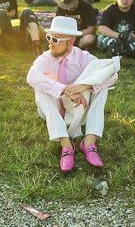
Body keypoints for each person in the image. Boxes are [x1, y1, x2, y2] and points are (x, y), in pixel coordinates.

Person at [27, 16, 118, 172]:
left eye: (55, 39)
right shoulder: (46, 57)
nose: (49, 43)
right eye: (49, 37)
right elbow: (31, 77)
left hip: (78, 110)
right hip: (52, 111)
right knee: (40, 86)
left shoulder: (83, 57)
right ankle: (66, 144)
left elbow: (112, 75)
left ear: (70, 42)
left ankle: (89, 142)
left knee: (100, 85)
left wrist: (83, 86)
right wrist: (65, 90)